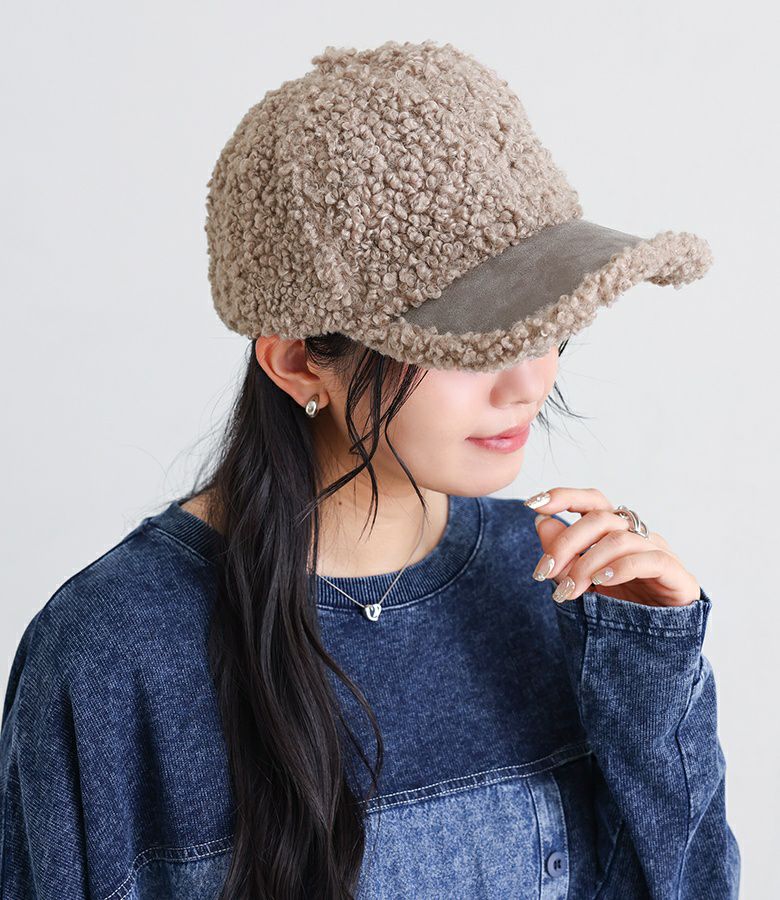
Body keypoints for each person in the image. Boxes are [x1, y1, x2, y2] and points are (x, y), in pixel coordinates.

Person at [0, 40, 740, 899]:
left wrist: (650, 672)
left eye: (548, 324)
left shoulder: (562, 583)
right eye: (472, 339)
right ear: (298, 363)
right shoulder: (113, 651)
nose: (529, 382)